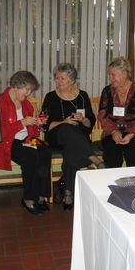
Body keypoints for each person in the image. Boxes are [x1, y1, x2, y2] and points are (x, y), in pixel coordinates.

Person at [0, 71, 52, 215]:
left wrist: (38, 124)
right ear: (16, 86)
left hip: (25, 139)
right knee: (30, 155)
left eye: (30, 90)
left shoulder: (26, 104)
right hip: (7, 143)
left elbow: (32, 130)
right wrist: (21, 122)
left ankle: (41, 196)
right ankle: (28, 199)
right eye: (26, 89)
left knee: (45, 151)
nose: (28, 93)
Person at [42, 63, 104, 210]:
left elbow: (90, 122)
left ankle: (68, 192)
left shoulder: (82, 96)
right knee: (67, 128)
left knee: (72, 148)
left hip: (78, 139)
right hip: (56, 136)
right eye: (56, 78)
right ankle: (94, 158)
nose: (57, 82)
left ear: (71, 80)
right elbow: (44, 124)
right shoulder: (50, 97)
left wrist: (82, 119)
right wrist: (63, 122)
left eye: (62, 79)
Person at [98, 56, 135, 168]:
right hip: (111, 132)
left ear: (125, 73)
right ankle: (111, 182)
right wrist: (113, 131)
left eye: (113, 75)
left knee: (133, 149)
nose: (110, 78)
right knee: (112, 150)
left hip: (134, 133)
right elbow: (102, 115)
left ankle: (134, 183)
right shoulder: (107, 91)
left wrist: (132, 134)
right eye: (110, 75)